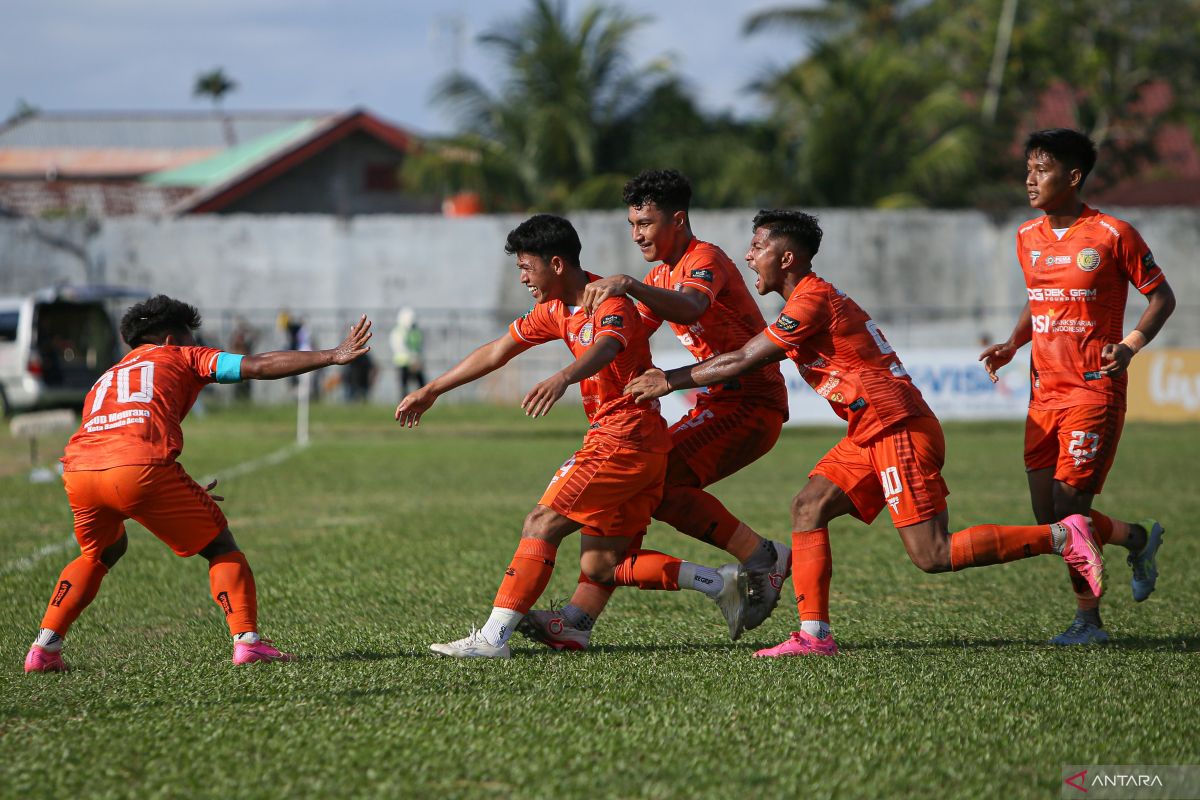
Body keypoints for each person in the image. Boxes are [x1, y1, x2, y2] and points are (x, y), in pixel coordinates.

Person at [626, 209, 1109, 657]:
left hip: (893, 426)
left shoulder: (810, 300)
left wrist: (669, 379)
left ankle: (1062, 538)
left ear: (786, 257)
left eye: (757, 246)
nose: (749, 256)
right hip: (871, 429)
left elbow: (744, 360)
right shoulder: (808, 299)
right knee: (808, 506)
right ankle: (814, 635)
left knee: (932, 554)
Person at [395, 214, 749, 659]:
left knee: (541, 523)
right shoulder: (556, 310)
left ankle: (492, 639)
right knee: (601, 565)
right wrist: (432, 389)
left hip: (622, 441)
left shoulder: (610, 302)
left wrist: (563, 377)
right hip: (640, 445)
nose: (523, 278)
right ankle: (719, 583)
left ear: (557, 264)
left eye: (527, 268)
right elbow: (497, 351)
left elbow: (607, 347)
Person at [23, 296, 372, 672]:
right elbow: (256, 365)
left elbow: (118, 431)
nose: (195, 344)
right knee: (222, 547)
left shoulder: (107, 376)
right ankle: (248, 642)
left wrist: (170, 486)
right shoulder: (182, 356)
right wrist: (332, 355)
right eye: (191, 337)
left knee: (101, 553)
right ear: (172, 339)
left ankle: (44, 649)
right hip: (141, 469)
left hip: (79, 471)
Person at [518, 169, 791, 651]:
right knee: (640, 490)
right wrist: (586, 318)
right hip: (720, 400)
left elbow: (688, 307)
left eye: (644, 222)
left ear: (677, 220)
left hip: (750, 401)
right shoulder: (659, 274)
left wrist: (629, 290)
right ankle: (578, 619)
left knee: (658, 482)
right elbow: (624, 334)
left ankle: (762, 556)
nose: (636, 233)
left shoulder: (703, 259)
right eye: (631, 223)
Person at [980, 128, 1175, 645]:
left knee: (1069, 510)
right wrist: (1013, 343)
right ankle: (1135, 538)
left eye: (1041, 169)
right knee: (1049, 517)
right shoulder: (1026, 237)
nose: (1030, 178)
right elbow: (1038, 299)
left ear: (1072, 176)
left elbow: (1161, 298)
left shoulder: (1113, 234)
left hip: (1093, 390)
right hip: (1043, 394)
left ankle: (1089, 622)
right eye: (1027, 169)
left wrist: (1129, 346)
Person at [390, 308, 426, 396]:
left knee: (422, 385)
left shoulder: (416, 331)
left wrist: (418, 359)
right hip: (403, 363)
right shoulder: (398, 331)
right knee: (404, 387)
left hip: (416, 362)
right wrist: (411, 359)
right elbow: (399, 347)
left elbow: (420, 346)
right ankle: (403, 405)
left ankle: (421, 401)